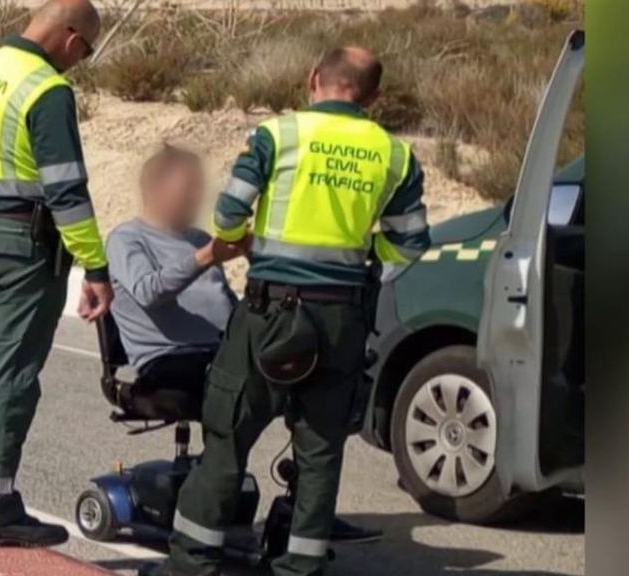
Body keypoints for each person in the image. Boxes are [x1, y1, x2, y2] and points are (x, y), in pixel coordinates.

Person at [141, 46, 431, 576]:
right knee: (320, 451)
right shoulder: (395, 155)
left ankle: (191, 565)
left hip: (269, 310)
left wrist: (248, 244)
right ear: (374, 97)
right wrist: (362, 265)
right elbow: (410, 242)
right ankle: (299, 568)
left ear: (313, 78)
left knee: (228, 435)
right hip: (342, 318)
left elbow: (229, 213)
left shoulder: (278, 135)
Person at [0, 0, 113, 548]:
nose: (80, 61)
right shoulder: (46, 90)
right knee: (10, 377)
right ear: (70, 37)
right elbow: (66, 189)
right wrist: (94, 265)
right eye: (85, 51)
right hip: (21, 248)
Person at [106, 145, 243, 421]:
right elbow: (148, 292)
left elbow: (230, 307)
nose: (196, 198)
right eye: (187, 190)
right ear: (155, 190)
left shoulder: (201, 239)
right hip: (170, 359)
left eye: (198, 189)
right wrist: (205, 257)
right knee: (227, 392)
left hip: (219, 353)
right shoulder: (126, 239)